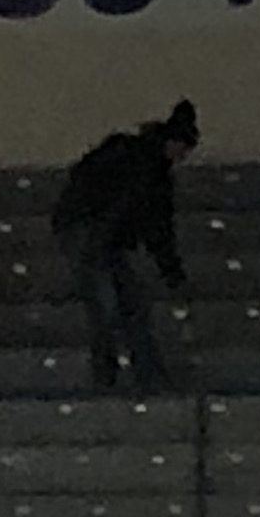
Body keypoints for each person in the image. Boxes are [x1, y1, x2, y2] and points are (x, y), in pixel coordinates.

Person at [53, 98, 198, 394]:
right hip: (95, 236)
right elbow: (157, 230)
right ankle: (123, 374)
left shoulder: (129, 155)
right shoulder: (149, 174)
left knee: (120, 305)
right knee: (113, 306)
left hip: (95, 235)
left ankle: (123, 374)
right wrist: (173, 274)